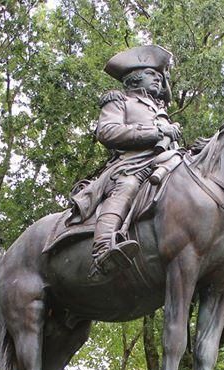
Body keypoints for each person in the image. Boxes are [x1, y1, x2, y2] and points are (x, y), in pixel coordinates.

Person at [69, 44, 182, 275]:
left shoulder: (158, 108)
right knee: (127, 186)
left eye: (160, 77)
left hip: (166, 163)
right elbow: (107, 132)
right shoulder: (120, 101)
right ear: (134, 78)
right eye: (152, 74)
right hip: (131, 165)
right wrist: (157, 133)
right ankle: (102, 250)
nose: (158, 80)